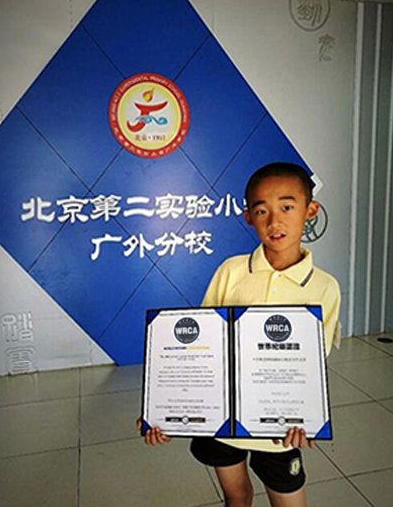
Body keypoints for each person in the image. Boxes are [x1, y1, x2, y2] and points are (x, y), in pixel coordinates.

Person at [138, 162, 341, 507]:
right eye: (261, 210)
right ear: (248, 217)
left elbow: (312, 365)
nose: (274, 221)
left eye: (287, 207)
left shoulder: (325, 287)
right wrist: (164, 412)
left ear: (311, 210)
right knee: (236, 497)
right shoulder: (230, 271)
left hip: (278, 431)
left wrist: (306, 417)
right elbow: (198, 350)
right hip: (222, 425)